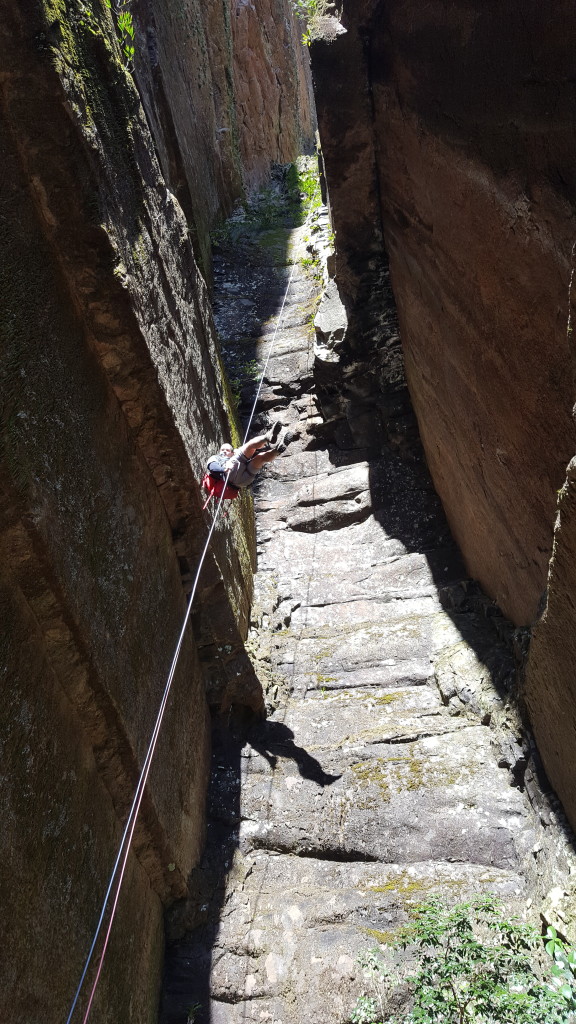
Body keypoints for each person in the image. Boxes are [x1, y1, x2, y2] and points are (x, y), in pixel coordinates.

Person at [206, 421, 294, 490]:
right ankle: (267, 437)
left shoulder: (234, 455)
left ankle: (276, 450)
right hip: (230, 476)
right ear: (219, 451)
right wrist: (224, 469)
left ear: (232, 452)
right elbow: (212, 467)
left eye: (227, 450)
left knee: (260, 458)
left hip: (244, 480)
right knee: (249, 447)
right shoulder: (216, 458)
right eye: (222, 450)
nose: (224, 451)